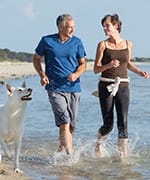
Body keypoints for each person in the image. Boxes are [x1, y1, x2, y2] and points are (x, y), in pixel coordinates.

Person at [93, 13, 149, 158]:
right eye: (103, 26)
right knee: (108, 125)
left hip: (123, 85)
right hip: (106, 86)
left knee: (123, 122)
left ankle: (122, 158)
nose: (105, 29)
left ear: (116, 25)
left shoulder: (128, 44)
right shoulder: (102, 45)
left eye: (107, 25)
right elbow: (96, 69)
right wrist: (109, 65)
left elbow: (128, 64)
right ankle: (98, 142)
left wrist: (139, 72)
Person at [33, 14, 86, 155]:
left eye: (73, 27)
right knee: (64, 121)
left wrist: (75, 74)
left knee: (71, 125)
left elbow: (83, 64)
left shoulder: (77, 42)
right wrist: (42, 75)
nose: (73, 30)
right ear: (60, 27)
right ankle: (70, 157)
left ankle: (61, 149)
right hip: (54, 88)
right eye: (70, 27)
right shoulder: (47, 41)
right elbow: (36, 59)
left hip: (74, 88)